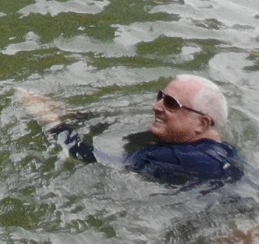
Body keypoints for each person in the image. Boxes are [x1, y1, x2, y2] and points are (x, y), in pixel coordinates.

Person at [18, 74, 246, 189]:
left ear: (202, 124)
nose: (157, 106)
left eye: (171, 104)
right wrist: (77, 116)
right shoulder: (229, 153)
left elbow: (97, 163)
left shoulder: (173, 158)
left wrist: (52, 122)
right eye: (160, 97)